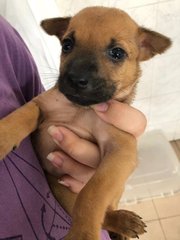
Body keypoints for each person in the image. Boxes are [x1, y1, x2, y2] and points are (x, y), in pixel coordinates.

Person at [0, 16, 146, 240]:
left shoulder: (5, 42)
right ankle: (104, 220)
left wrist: (87, 223)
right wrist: (9, 131)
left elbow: (122, 158)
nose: (80, 74)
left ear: (144, 51)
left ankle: (104, 218)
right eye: (68, 45)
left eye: (116, 53)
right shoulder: (56, 96)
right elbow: (36, 108)